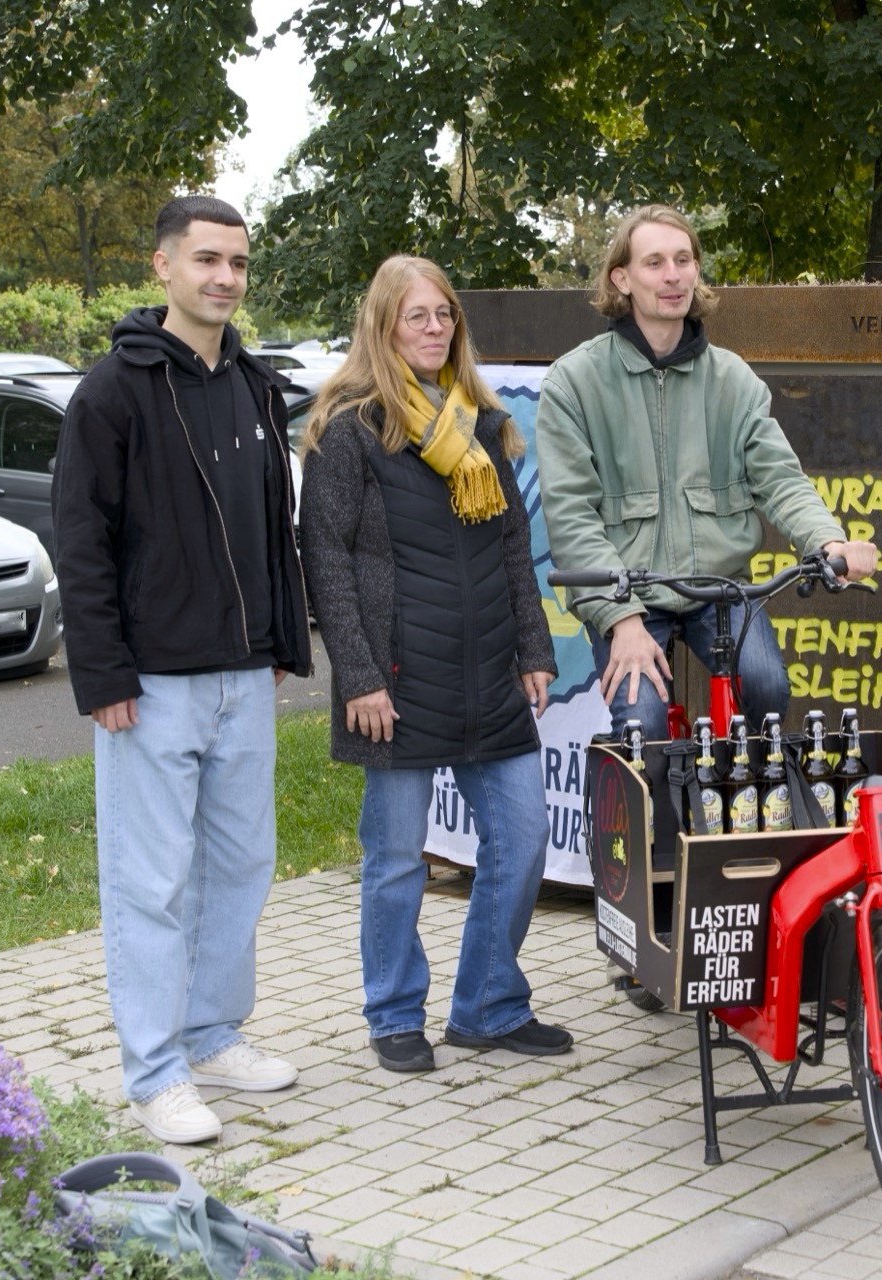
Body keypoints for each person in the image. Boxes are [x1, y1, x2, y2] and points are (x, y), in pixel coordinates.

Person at [53, 195, 310, 1144]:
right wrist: (104, 675)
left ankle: (211, 1035)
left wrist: (282, 639)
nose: (226, 278)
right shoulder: (113, 392)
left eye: (238, 262)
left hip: (244, 676)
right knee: (149, 880)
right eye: (207, 259)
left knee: (242, 866)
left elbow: (269, 529)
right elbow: (81, 542)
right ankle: (155, 1071)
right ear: (162, 266)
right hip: (151, 684)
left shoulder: (251, 382)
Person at [301, 255, 566, 1074]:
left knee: (521, 845)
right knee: (394, 862)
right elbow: (327, 562)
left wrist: (534, 647)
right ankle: (392, 1014)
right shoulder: (350, 429)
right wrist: (360, 675)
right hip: (398, 680)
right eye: (416, 316)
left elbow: (515, 550)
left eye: (444, 315)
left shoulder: (484, 428)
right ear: (383, 326)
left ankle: (488, 1006)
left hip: (490, 668)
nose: (434, 328)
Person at [535, 204, 878, 739]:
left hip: (717, 586)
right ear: (621, 278)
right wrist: (621, 619)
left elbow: (780, 479)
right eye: (654, 263)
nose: (673, 276)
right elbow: (572, 514)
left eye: (683, 259)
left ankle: (737, 809)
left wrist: (828, 540)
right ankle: (646, 817)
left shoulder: (732, 379)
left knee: (765, 688)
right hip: (627, 589)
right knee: (643, 720)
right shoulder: (574, 382)